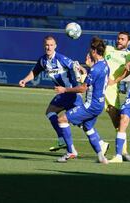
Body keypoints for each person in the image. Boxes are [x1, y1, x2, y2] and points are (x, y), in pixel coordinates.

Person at [19, 36, 109, 155]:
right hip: (63, 94)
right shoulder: (43, 61)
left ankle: (88, 146)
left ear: (55, 46)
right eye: (47, 45)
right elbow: (35, 71)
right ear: (44, 45)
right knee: (53, 113)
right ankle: (65, 140)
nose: (48, 47)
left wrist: (81, 68)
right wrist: (25, 80)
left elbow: (74, 64)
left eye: (51, 45)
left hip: (71, 93)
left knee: (81, 122)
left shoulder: (61, 59)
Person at [54, 36, 110, 164]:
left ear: (94, 51)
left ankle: (71, 152)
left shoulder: (96, 69)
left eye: (91, 49)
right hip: (99, 104)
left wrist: (65, 90)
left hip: (91, 105)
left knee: (62, 119)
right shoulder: (105, 65)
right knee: (88, 127)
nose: (89, 51)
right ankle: (101, 157)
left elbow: (83, 88)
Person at [104, 31, 130, 162]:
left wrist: (114, 81)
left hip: (111, 89)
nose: (119, 41)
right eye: (118, 38)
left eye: (123, 39)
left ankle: (123, 151)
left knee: (117, 122)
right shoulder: (108, 49)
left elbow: (127, 71)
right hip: (97, 85)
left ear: (128, 42)